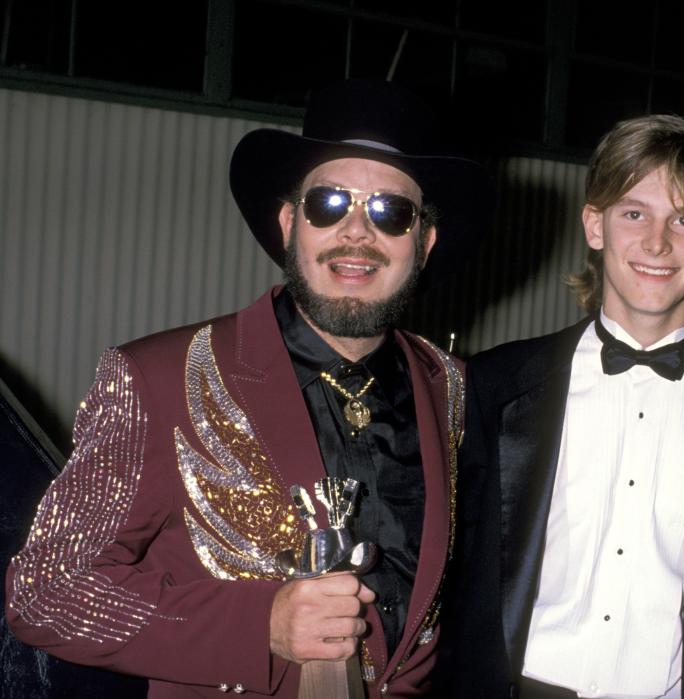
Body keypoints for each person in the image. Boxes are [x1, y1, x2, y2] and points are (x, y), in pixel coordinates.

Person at [5, 78, 488, 698]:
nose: (358, 233)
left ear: (423, 242)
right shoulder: (157, 376)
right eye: (329, 204)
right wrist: (260, 624)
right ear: (290, 222)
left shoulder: (455, 390)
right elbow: (46, 591)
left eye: (390, 212)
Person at [447, 114, 684, 698]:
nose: (657, 242)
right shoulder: (494, 384)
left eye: (682, 219)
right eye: (634, 213)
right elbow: (458, 585)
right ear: (595, 225)